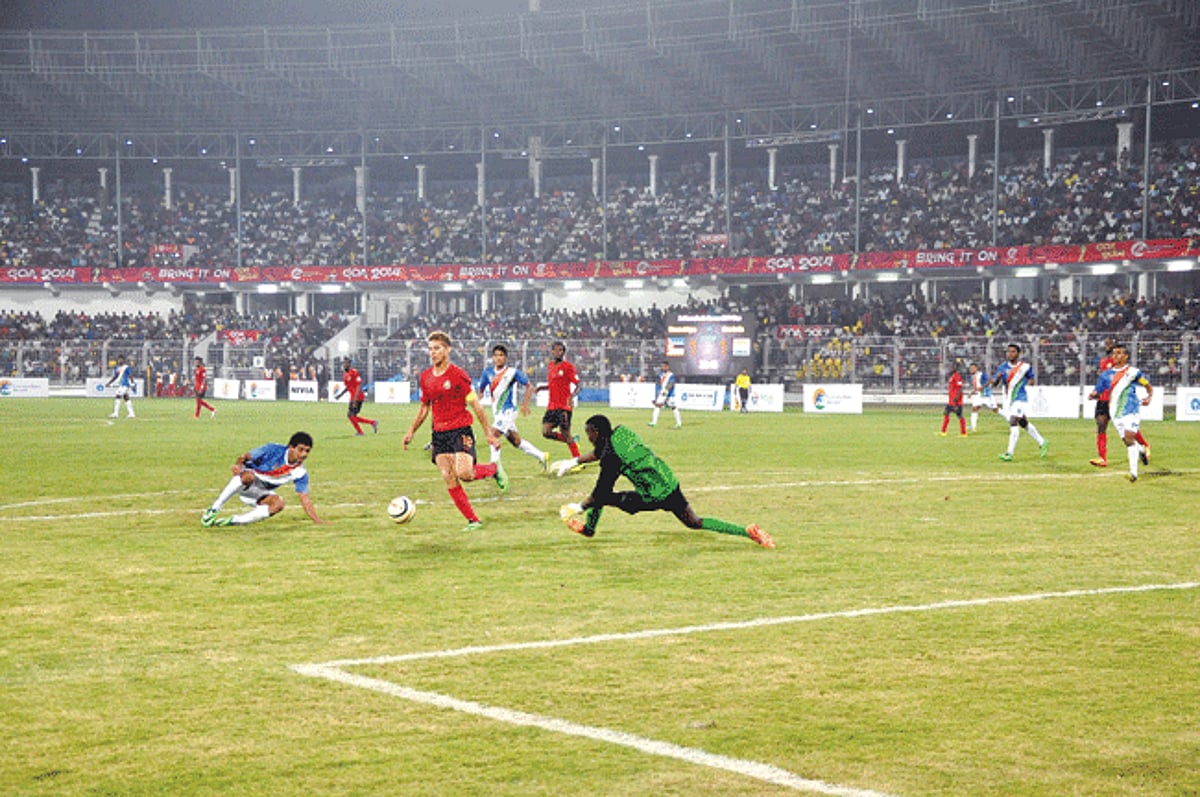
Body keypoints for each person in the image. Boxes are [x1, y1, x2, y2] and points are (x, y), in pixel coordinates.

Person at [554, 414, 775, 548]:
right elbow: (601, 451)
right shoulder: (622, 433)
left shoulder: (612, 458)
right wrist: (573, 461)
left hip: (652, 495)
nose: (588, 438)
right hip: (668, 481)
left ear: (597, 432)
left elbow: (600, 488)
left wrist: (579, 507)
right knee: (694, 522)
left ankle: (589, 529)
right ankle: (748, 532)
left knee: (603, 496)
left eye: (589, 433)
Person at [402, 331, 506, 531]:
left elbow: (475, 404)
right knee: (449, 477)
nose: (433, 353)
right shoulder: (425, 378)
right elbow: (424, 407)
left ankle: (493, 469)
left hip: (460, 430)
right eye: (430, 349)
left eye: (437, 348)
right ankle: (473, 520)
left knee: (465, 473)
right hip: (439, 434)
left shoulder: (458, 375)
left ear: (447, 349)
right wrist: (411, 431)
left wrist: (488, 433)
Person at [201, 431, 325, 527]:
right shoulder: (272, 450)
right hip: (245, 484)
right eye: (301, 450)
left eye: (307, 451)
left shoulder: (300, 472)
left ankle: (234, 521)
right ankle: (214, 509)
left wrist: (318, 520)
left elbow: (304, 498)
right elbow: (244, 457)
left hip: (260, 495)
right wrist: (238, 466)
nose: (304, 454)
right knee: (248, 476)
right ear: (290, 447)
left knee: (279, 504)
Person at [476, 344, 548, 469]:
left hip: (508, 412)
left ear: (505, 358)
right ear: (493, 357)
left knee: (493, 435)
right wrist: (477, 400)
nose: (498, 358)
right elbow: (481, 389)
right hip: (497, 413)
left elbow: (529, 386)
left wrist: (525, 405)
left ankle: (495, 469)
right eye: (496, 355)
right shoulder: (487, 373)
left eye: (501, 355)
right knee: (516, 441)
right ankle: (542, 455)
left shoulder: (512, 372)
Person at [1088, 342, 1153, 482]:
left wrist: (1149, 397)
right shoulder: (1106, 375)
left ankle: (1133, 473)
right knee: (1127, 441)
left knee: (1130, 437)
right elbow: (1098, 390)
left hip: (1132, 409)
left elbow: (1147, 385)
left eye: (1118, 353)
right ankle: (1141, 450)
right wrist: (1093, 394)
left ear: (1126, 356)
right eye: (1114, 353)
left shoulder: (1133, 372)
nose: (1115, 356)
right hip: (1115, 412)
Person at [523, 340, 582, 460]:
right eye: (556, 350)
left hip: (564, 406)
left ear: (564, 352)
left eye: (561, 350)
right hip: (552, 406)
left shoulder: (568, 367)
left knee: (565, 431)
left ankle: (578, 460)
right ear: (552, 351)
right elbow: (554, 384)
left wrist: (571, 397)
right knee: (546, 432)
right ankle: (572, 442)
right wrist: (543, 387)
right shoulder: (550, 365)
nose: (558, 352)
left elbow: (578, 385)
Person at [990, 343, 1048, 461]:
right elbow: (994, 384)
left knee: (1013, 421)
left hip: (1020, 398)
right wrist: (997, 378)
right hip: (1009, 399)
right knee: (1023, 422)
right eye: (1008, 351)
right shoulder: (1002, 367)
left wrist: (1031, 382)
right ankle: (1042, 441)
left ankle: (1009, 453)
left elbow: (1031, 378)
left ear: (1019, 354)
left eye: (1013, 351)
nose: (1010, 354)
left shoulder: (1025, 367)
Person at [334, 358, 377, 435]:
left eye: (346, 363)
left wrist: (355, 398)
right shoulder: (345, 374)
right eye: (343, 363)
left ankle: (361, 431)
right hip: (353, 397)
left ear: (349, 364)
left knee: (351, 415)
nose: (344, 365)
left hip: (358, 397)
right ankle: (372, 422)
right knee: (352, 416)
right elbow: (348, 386)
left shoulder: (354, 372)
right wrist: (340, 395)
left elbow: (359, 384)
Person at [648, 361, 682, 428]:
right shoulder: (661, 375)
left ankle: (679, 423)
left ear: (667, 367)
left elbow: (671, 384)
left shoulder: (671, 375)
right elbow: (660, 385)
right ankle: (654, 422)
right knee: (657, 406)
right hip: (662, 394)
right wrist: (657, 395)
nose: (662, 368)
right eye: (662, 366)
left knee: (674, 407)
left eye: (664, 366)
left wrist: (666, 391)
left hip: (669, 394)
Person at [966, 362, 996, 432]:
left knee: (996, 410)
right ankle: (973, 427)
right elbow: (977, 387)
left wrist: (983, 387)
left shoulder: (981, 374)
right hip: (979, 395)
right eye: (970, 368)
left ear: (976, 368)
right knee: (974, 409)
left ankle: (1011, 420)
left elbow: (990, 381)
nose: (971, 369)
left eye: (973, 368)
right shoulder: (972, 377)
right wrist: (971, 393)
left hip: (986, 395)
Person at [105, 354, 136, 419]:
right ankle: (131, 413)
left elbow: (130, 376)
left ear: (123, 360)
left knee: (118, 396)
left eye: (121, 359)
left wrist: (132, 384)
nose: (119, 360)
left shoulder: (126, 367)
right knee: (126, 397)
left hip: (125, 385)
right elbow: (115, 376)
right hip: (121, 385)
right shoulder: (117, 368)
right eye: (119, 359)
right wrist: (109, 383)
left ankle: (116, 413)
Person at [940, 362, 967, 436]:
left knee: (960, 416)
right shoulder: (952, 376)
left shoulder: (957, 376)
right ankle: (943, 432)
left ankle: (963, 433)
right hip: (951, 401)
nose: (951, 368)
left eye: (952, 367)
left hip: (956, 401)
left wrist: (957, 399)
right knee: (946, 413)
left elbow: (960, 388)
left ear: (956, 368)